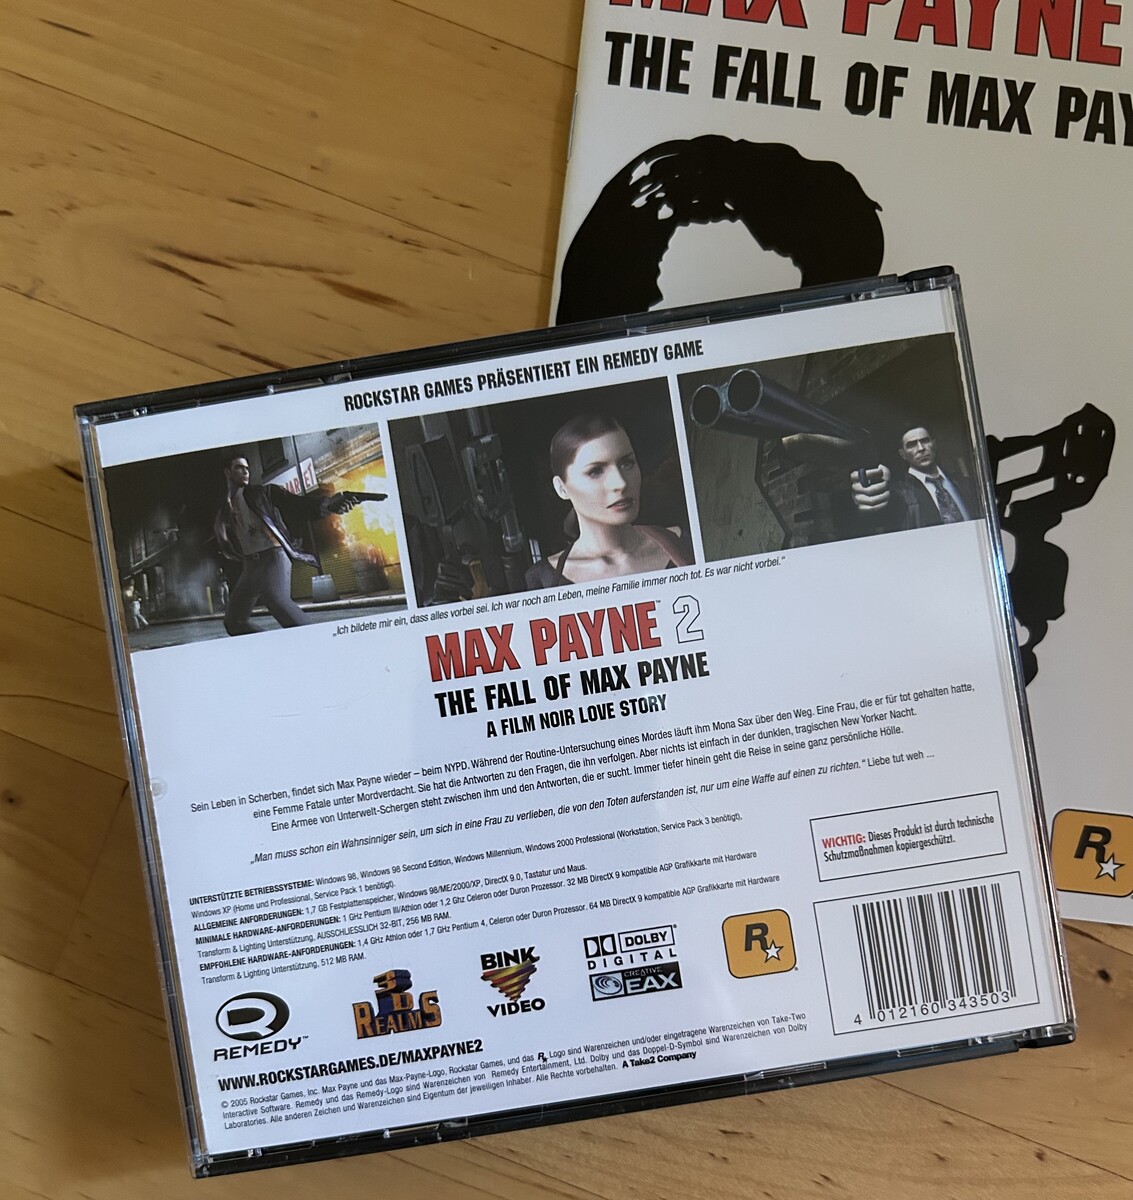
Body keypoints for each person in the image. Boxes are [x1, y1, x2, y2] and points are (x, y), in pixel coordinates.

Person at [526, 414, 692, 588]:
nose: (620, 483)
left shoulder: (688, 541)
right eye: (595, 471)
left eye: (627, 463)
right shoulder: (542, 580)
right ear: (562, 488)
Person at [213, 454, 361, 635]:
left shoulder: (262, 494)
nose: (245, 472)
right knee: (233, 622)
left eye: (247, 468)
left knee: (276, 601)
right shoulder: (225, 508)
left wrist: (328, 504)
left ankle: (316, 641)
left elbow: (296, 503)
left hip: (272, 557)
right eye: (239, 467)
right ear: (227, 472)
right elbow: (222, 538)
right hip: (250, 566)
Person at [850, 425, 979, 530]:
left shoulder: (962, 482)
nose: (921, 448)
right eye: (911, 445)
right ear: (903, 455)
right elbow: (882, 515)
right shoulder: (899, 492)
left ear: (934, 444)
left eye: (925, 441)